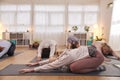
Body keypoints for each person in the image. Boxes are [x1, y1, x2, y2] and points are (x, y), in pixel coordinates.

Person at [19, 45, 104, 73]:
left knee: (73, 68)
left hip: (98, 57)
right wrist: (37, 63)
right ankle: (92, 65)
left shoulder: (66, 57)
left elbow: (51, 65)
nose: (57, 57)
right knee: (70, 66)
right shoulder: (65, 53)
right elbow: (53, 60)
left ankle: (96, 68)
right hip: (91, 55)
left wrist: (32, 70)